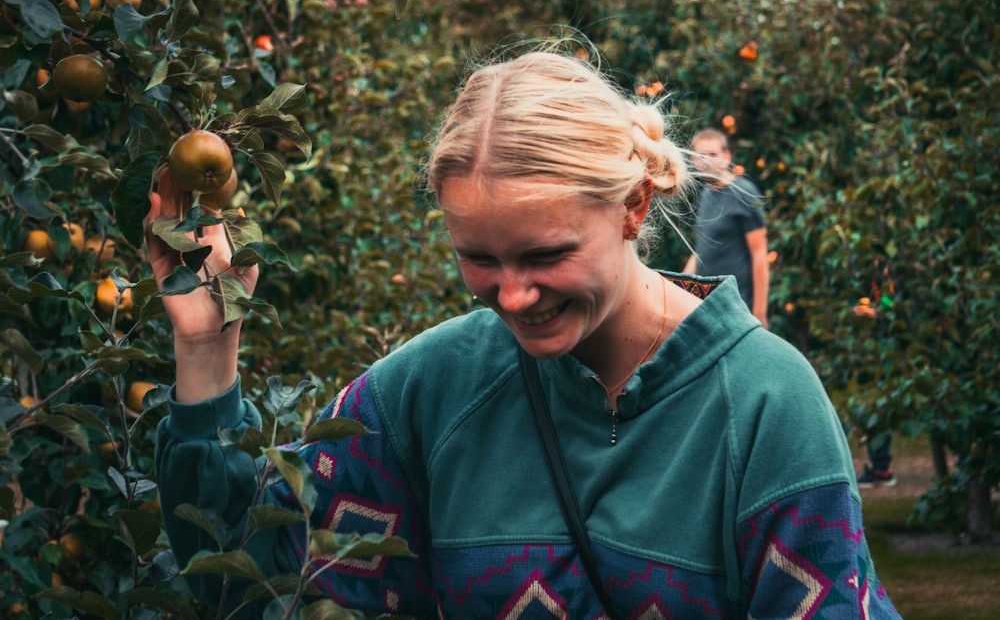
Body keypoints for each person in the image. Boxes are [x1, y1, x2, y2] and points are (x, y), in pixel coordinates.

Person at [149, 47, 900, 618]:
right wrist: (207, 353)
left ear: (635, 205)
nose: (511, 295)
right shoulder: (433, 388)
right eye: (478, 258)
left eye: (547, 254)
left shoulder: (765, 405)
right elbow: (246, 577)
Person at [682, 129, 770, 327]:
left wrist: (760, 313)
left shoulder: (744, 193)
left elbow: (760, 255)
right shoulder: (706, 195)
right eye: (700, 156)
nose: (706, 161)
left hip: (738, 307)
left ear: (727, 156)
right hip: (708, 306)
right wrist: (680, 289)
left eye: (713, 155)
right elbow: (701, 250)